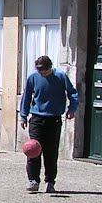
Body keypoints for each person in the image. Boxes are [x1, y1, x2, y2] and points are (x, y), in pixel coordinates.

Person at [19, 55, 78, 193]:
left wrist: (72, 109)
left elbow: (72, 93)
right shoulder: (33, 77)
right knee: (33, 150)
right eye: (40, 72)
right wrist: (23, 116)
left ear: (50, 68)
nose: (42, 74)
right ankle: (33, 180)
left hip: (54, 119)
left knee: (51, 152)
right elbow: (27, 96)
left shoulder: (60, 76)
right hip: (37, 119)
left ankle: (50, 181)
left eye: (44, 72)